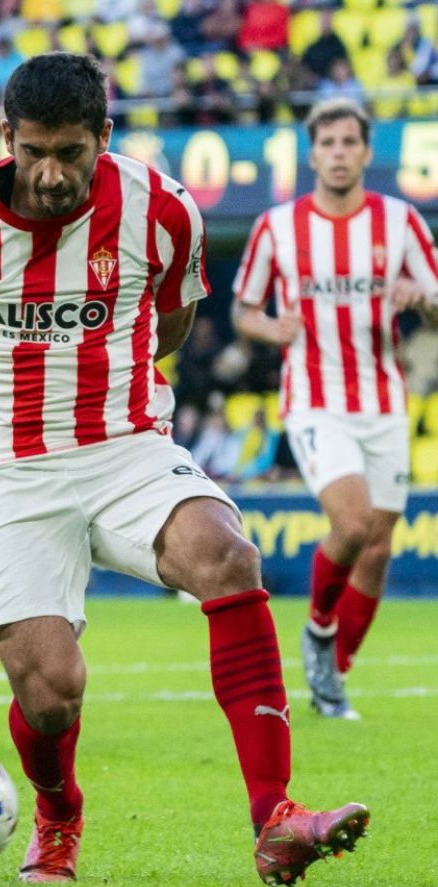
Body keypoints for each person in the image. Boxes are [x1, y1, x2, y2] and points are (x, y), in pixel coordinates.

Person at [0, 52, 368, 887]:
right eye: (32, 150)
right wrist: (12, 381)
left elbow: (171, 321)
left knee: (227, 555)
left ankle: (277, 816)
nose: (49, 173)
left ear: (104, 138)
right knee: (50, 693)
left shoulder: (161, 209)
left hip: (125, 443)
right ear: (4, 137)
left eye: (71, 153)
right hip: (3, 461)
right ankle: (58, 812)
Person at [232, 98, 438, 720]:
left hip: (382, 398)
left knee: (377, 547)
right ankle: (319, 631)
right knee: (351, 526)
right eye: (329, 144)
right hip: (315, 398)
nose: (341, 153)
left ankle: (332, 677)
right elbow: (245, 311)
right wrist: (275, 330)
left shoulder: (401, 222)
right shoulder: (278, 227)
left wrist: (420, 300)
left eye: (351, 142)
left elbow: (436, 300)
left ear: (366, 152)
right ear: (313, 153)